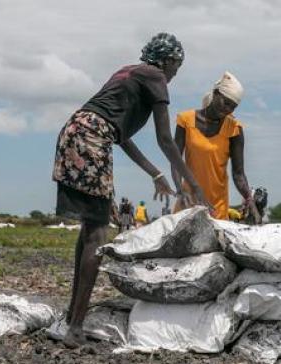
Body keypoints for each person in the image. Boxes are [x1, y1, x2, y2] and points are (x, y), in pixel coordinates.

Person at [51, 33, 207, 347]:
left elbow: (120, 135)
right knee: (98, 234)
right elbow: (165, 139)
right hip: (92, 138)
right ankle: (76, 330)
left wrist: (156, 173)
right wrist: (193, 183)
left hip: (74, 131)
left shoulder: (128, 72)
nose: (176, 72)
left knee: (89, 228)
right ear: (166, 60)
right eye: (177, 64)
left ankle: (72, 318)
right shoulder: (156, 76)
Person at [171, 71, 261, 224]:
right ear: (215, 93)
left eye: (232, 107)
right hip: (187, 202)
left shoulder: (234, 129)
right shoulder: (186, 120)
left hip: (216, 207)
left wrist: (249, 200)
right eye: (225, 102)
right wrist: (180, 191)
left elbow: (238, 174)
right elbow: (175, 161)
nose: (227, 109)